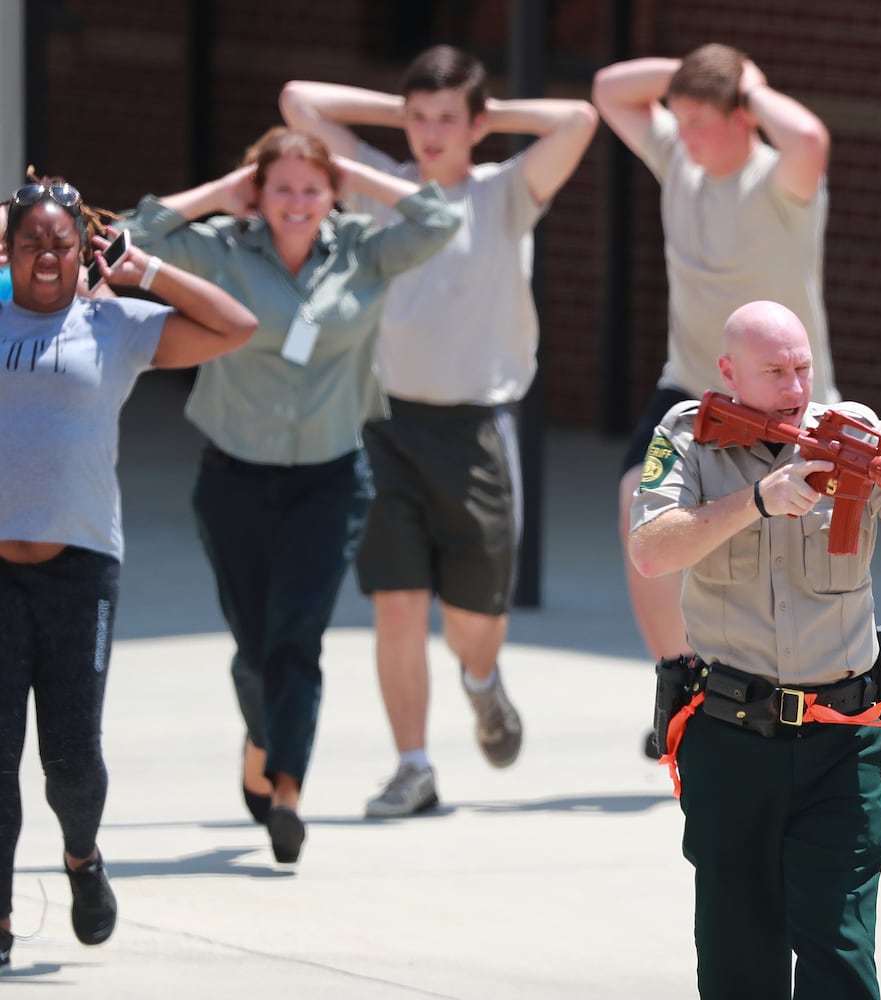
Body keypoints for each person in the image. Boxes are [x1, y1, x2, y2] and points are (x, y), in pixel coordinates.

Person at [120, 127, 462, 860]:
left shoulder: (365, 252)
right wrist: (219, 192)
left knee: (297, 639)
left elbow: (441, 219)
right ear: (259, 192)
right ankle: (261, 740)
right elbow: (126, 238)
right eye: (283, 188)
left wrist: (354, 174)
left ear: (331, 193)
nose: (299, 203)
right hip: (234, 476)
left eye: (313, 188)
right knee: (254, 645)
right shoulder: (221, 248)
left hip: (330, 478)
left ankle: (287, 795)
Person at [280, 46, 598, 817]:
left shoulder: (503, 193)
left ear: (476, 125)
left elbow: (580, 118)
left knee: (473, 627)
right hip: (383, 424)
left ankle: (482, 682)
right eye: (417, 117)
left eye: (445, 119)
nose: (427, 132)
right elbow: (299, 97)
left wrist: (485, 116)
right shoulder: (378, 188)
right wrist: (403, 111)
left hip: (476, 430)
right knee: (397, 603)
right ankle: (412, 767)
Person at [629, 300, 881, 999]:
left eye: (802, 368)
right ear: (728, 372)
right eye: (774, 371)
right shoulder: (689, 434)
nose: (794, 387)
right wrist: (755, 500)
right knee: (739, 962)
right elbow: (650, 549)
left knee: (841, 956)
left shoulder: (855, 432)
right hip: (731, 738)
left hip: (839, 744)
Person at [0, 177, 257, 970]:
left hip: (80, 573)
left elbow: (236, 326)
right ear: (6, 253)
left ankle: (82, 855)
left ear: (85, 250)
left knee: (71, 763)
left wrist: (143, 268)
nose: (47, 256)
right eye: (30, 242)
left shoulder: (113, 324)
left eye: (61, 242)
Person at [593, 45, 840, 745]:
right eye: (678, 116)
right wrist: (700, 71)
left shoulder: (779, 182)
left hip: (782, 402)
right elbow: (611, 87)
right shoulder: (679, 160)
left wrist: (751, 82)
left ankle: (788, 694)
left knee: (781, 555)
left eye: (700, 119)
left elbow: (811, 138)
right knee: (634, 510)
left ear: (741, 117)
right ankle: (682, 687)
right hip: (693, 390)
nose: (683, 131)